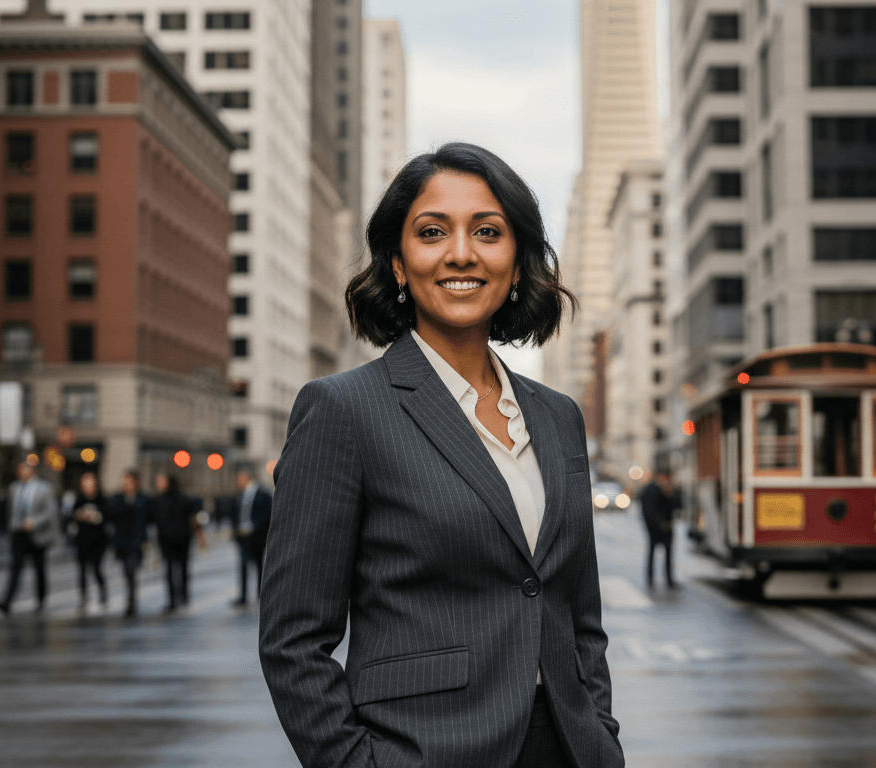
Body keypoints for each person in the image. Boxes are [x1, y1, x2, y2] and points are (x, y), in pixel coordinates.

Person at [260, 142, 622, 768]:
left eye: (488, 231)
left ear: (517, 261)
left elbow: (577, 614)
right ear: (399, 264)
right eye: (432, 232)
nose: (462, 252)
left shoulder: (559, 417)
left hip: (567, 747)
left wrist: (601, 734)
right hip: (425, 751)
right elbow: (292, 641)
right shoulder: (343, 411)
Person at [0, 461, 59, 615]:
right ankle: (7, 601)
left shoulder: (44, 488)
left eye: (25, 470)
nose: (22, 473)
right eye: (20, 470)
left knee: (39, 569)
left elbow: (50, 512)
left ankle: (41, 600)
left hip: (37, 534)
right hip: (18, 534)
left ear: (32, 471)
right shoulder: (13, 488)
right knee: (16, 568)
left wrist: (33, 522)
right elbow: (11, 511)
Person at [151, 473, 197, 612]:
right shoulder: (160, 500)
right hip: (175, 539)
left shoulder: (161, 500)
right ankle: (179, 597)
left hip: (176, 539)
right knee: (177, 569)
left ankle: (176, 598)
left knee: (176, 569)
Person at [231, 467, 272, 607]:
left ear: (247, 478)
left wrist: (255, 527)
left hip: (257, 536)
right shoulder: (239, 495)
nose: (237, 482)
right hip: (242, 536)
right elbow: (235, 514)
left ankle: (260, 594)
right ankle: (243, 596)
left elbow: (267, 514)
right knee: (242, 565)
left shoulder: (262, 494)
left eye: (239, 479)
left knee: (259, 565)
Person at [70, 472, 110, 612]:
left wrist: (93, 516)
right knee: (81, 571)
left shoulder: (101, 500)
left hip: (98, 541)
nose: (87, 486)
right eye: (84, 483)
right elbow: (71, 517)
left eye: (90, 483)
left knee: (97, 569)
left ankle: (103, 593)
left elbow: (106, 517)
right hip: (82, 540)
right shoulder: (78, 500)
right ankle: (83, 598)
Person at [110, 470, 149, 617]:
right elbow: (111, 515)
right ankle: (130, 597)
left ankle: (131, 598)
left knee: (132, 569)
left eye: (129, 481)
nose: (126, 484)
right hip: (122, 542)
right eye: (124, 481)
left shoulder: (143, 499)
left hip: (137, 542)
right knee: (127, 571)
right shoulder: (117, 499)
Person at [640, 469, 682, 588]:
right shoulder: (650, 489)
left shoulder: (669, 490)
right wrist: (658, 524)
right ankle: (650, 579)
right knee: (652, 553)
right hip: (655, 529)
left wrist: (670, 493)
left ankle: (669, 579)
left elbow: (677, 505)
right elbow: (649, 511)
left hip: (668, 527)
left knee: (669, 554)